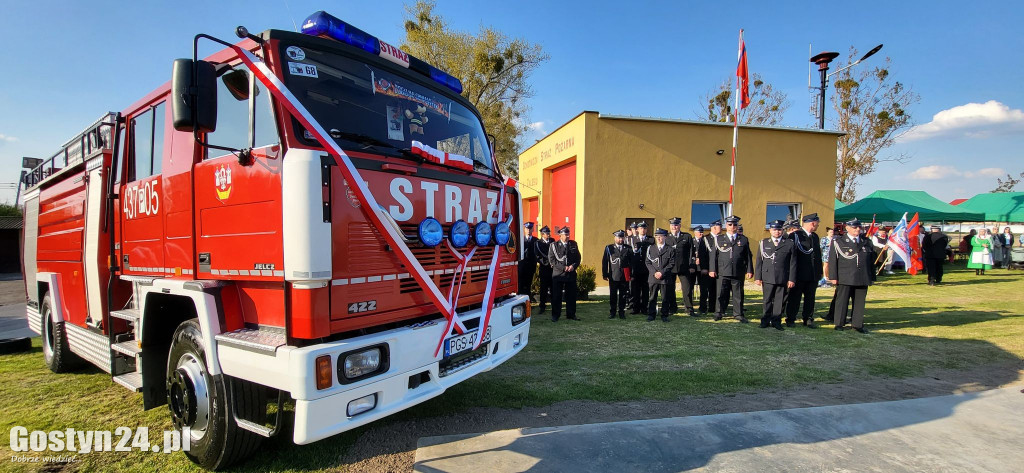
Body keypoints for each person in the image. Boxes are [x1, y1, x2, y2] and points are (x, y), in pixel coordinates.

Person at [828, 219, 875, 333]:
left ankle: (857, 324)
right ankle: (839, 323)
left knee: (859, 302)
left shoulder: (866, 241)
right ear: (847, 228)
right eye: (855, 227)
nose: (857, 229)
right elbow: (833, 260)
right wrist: (833, 276)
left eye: (859, 227)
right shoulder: (839, 241)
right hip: (845, 276)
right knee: (842, 301)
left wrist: (872, 276)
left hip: (862, 276)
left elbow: (870, 261)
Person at [755, 220, 797, 330]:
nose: (777, 232)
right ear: (770, 230)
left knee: (779, 301)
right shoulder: (764, 243)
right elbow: (759, 261)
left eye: (779, 229)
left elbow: (793, 263)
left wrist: (791, 279)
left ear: (782, 230)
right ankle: (765, 320)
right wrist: (758, 277)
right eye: (774, 229)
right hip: (768, 276)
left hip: (782, 276)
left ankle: (776, 321)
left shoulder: (789, 243)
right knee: (767, 300)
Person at [710, 215, 752, 323]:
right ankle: (718, 313)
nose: (732, 226)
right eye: (730, 224)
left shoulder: (743, 239)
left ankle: (738, 314)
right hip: (722, 271)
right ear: (726, 226)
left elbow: (748, 256)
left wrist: (749, 270)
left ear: (737, 226)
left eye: (734, 224)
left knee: (738, 294)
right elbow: (713, 255)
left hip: (738, 271)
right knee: (720, 293)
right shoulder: (719, 239)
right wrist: (712, 269)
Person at [786, 213, 822, 328]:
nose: (818, 225)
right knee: (795, 298)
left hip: (812, 274)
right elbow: (791, 256)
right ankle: (791, 318)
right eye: (817, 223)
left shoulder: (815, 236)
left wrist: (819, 271)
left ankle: (808, 318)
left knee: (810, 298)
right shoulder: (795, 235)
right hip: (799, 273)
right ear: (812, 223)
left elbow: (817, 256)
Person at [666, 217, 697, 316]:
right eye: (672, 225)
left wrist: (692, 265)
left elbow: (692, 252)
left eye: (676, 225)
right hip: (670, 267)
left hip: (684, 267)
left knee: (687, 289)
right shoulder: (667, 237)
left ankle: (689, 309)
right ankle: (672, 308)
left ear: (679, 226)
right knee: (670, 289)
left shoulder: (686, 237)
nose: (674, 227)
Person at [548, 227, 581, 321]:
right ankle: (555, 315)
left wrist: (573, 266)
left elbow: (578, 258)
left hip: (570, 274)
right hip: (558, 274)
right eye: (565, 235)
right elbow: (552, 260)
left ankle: (571, 314)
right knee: (556, 296)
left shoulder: (573, 244)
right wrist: (563, 267)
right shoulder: (554, 245)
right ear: (560, 235)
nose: (567, 236)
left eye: (568, 234)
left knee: (571, 295)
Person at [646, 228, 675, 322]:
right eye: (657, 236)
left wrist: (662, 272)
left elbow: (672, 263)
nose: (659, 238)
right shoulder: (650, 248)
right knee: (652, 297)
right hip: (653, 277)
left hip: (665, 278)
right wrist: (655, 272)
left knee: (665, 298)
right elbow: (648, 262)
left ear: (665, 237)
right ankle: (651, 314)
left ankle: (664, 315)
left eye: (661, 236)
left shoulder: (670, 249)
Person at [602, 230, 632, 319]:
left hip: (624, 276)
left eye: (622, 237)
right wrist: (605, 274)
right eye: (619, 237)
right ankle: (612, 312)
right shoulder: (609, 248)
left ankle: (621, 312)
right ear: (615, 238)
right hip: (613, 275)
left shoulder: (628, 248)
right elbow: (605, 262)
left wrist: (631, 275)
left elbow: (632, 262)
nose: (620, 239)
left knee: (623, 295)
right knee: (613, 295)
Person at [628, 222, 653, 314]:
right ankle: (635, 308)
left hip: (647, 269)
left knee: (646, 290)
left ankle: (644, 308)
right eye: (641, 228)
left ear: (646, 229)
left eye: (644, 228)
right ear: (637, 229)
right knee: (635, 290)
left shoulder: (651, 240)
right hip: (636, 269)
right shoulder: (632, 239)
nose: (643, 230)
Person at [697, 221, 721, 315]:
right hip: (706, 269)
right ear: (714, 228)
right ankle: (703, 308)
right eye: (719, 226)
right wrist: (704, 268)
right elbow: (702, 254)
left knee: (714, 290)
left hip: (718, 269)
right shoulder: (705, 239)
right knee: (704, 290)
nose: (721, 228)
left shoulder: (721, 238)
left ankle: (712, 307)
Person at [535, 226, 553, 313]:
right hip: (544, 268)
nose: (549, 234)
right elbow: (538, 256)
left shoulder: (553, 241)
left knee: (554, 288)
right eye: (547, 233)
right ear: (542, 234)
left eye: (549, 232)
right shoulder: (538, 243)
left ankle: (555, 305)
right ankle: (542, 307)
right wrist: (547, 263)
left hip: (553, 269)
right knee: (543, 289)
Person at [519, 222, 537, 302]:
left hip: (531, 266)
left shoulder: (536, 241)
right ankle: (520, 301)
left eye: (530, 229)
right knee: (520, 284)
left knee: (528, 284)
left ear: (532, 229)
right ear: (524, 229)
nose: (528, 230)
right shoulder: (521, 240)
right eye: (527, 229)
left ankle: (528, 301)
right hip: (522, 267)